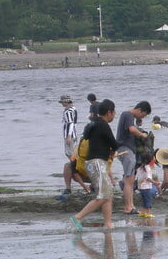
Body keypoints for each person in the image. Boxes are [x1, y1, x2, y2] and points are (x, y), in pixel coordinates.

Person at [70, 98, 119, 231]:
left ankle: (108, 224)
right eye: (114, 113)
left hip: (92, 163)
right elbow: (114, 144)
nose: (114, 115)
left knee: (107, 193)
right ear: (109, 112)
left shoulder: (92, 124)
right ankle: (78, 217)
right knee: (104, 195)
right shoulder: (103, 125)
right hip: (97, 163)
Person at [115, 101, 152, 214]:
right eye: (144, 115)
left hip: (129, 150)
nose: (142, 117)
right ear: (140, 110)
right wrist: (142, 135)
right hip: (125, 150)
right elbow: (131, 129)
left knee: (130, 180)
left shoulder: (128, 116)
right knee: (128, 180)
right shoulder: (128, 115)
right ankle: (128, 207)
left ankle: (131, 206)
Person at [57, 95, 79, 200]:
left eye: (63, 102)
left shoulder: (68, 112)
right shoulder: (73, 109)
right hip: (73, 135)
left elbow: (70, 124)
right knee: (71, 153)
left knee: (69, 154)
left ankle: (73, 169)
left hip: (70, 135)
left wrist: (69, 136)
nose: (62, 104)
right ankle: (74, 167)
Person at [134, 149, 159, 218]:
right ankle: (148, 213)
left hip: (140, 187)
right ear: (150, 160)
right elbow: (148, 178)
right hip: (146, 187)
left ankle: (142, 212)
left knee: (143, 200)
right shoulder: (147, 168)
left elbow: (136, 178)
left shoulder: (140, 167)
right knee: (148, 200)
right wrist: (155, 183)